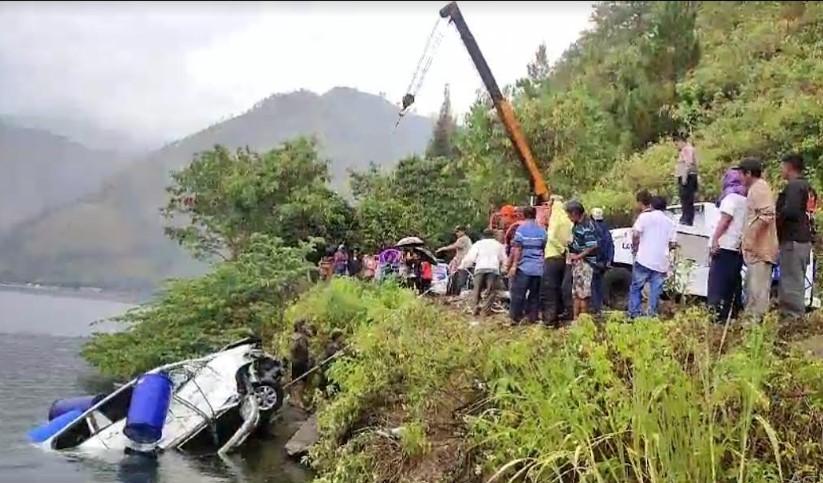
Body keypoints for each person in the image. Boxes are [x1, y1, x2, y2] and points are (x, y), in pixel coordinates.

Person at [738, 157, 778, 319]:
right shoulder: (755, 189)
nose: (739, 178)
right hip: (756, 253)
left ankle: (756, 331)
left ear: (748, 174)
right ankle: (751, 329)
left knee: (757, 294)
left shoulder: (759, 188)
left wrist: (750, 238)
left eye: (741, 174)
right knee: (751, 292)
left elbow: (767, 214)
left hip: (761, 251)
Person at [707, 168, 747, 323]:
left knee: (717, 286)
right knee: (732, 286)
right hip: (737, 249)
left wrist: (715, 239)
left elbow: (725, 220)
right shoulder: (746, 200)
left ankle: (715, 318)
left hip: (724, 247)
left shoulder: (730, 198)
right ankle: (731, 317)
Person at [776, 153, 812, 318]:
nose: (781, 170)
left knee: (791, 282)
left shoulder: (795, 186)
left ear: (789, 167)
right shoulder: (807, 187)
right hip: (804, 239)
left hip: (793, 239)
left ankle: (793, 320)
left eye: (782, 166)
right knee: (796, 280)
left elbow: (790, 211)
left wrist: (776, 221)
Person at [629, 195, 676, 318]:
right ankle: (651, 315)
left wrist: (635, 248)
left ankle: (634, 314)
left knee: (636, 287)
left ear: (651, 205)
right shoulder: (670, 223)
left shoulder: (645, 217)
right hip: (660, 263)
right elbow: (673, 243)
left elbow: (635, 234)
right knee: (655, 290)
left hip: (644, 258)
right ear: (665, 208)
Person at [508, 206, 547, 324]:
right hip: (538, 268)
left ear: (524, 215)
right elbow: (544, 249)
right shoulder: (542, 230)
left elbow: (518, 249)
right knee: (535, 295)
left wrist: (513, 266)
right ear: (535, 215)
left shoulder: (521, 229)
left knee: (518, 294)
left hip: (524, 268)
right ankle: (532, 318)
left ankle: (515, 318)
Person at [564, 201, 599, 319]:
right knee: (576, 293)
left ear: (575, 213)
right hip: (578, 263)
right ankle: (576, 318)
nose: (568, 217)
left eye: (569, 214)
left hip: (585, 264)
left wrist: (578, 256)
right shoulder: (577, 225)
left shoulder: (586, 226)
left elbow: (592, 245)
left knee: (583, 294)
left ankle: (582, 319)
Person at [540, 197, 572, 326]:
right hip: (563, 260)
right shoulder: (567, 219)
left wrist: (561, 249)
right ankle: (560, 315)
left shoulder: (555, 217)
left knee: (549, 289)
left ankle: (550, 319)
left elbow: (551, 237)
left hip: (553, 256)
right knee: (559, 288)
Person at [460, 228, 507, 315]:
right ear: (493, 235)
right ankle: (485, 310)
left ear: (483, 235)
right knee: (491, 291)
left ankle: (475, 308)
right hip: (493, 269)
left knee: (477, 290)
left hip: (480, 268)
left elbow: (470, 257)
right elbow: (504, 258)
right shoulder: (498, 245)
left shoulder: (478, 244)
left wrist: (463, 266)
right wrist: (504, 269)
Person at [590, 207, 614, 315]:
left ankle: (595, 308)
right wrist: (609, 260)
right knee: (599, 285)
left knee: (593, 285)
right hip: (603, 262)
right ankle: (598, 308)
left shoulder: (591, 229)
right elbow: (610, 246)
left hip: (593, 261)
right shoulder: (606, 230)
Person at [437, 226, 473, 295]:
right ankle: (455, 292)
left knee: (454, 277)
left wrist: (443, 248)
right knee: (459, 277)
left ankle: (452, 293)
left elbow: (454, 246)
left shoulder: (463, 239)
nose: (457, 234)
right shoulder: (468, 239)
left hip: (460, 261)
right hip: (465, 261)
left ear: (463, 231)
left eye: (458, 232)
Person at [674, 134, 698, 226]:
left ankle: (686, 219)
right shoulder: (687, 149)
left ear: (681, 141)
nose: (677, 147)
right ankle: (686, 218)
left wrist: (684, 178)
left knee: (686, 199)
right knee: (686, 199)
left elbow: (688, 163)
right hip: (688, 176)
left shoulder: (687, 149)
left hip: (687, 177)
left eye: (677, 144)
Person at [289, 320, 314, 409]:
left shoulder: (292, 336)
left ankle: (294, 398)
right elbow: (304, 349)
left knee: (295, 381)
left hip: (294, 361)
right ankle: (299, 401)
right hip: (302, 361)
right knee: (302, 382)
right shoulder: (301, 338)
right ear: (300, 327)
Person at [318, 329, 345, 394]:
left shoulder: (340, 346)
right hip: (329, 370)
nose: (343, 338)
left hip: (336, 370)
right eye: (341, 336)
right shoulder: (331, 347)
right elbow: (334, 356)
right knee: (331, 385)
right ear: (337, 337)